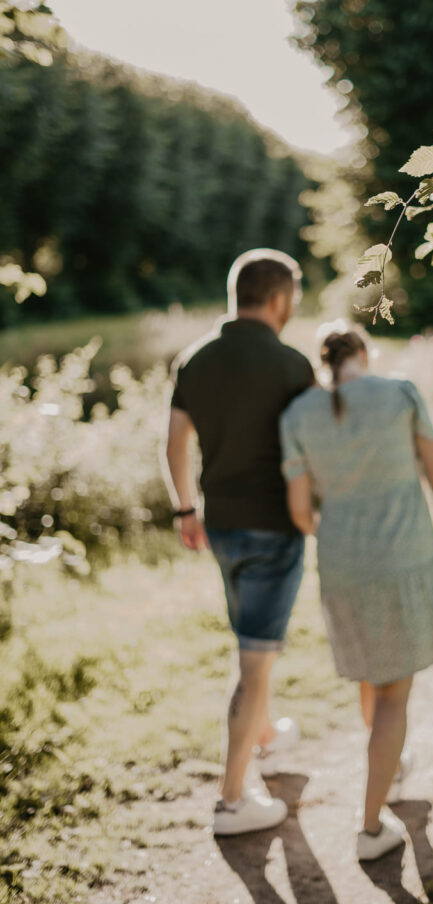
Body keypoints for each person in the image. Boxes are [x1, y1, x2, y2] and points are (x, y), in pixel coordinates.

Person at [279, 327, 433, 861]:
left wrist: (340, 537)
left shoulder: (296, 415)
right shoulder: (400, 392)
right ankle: (369, 828)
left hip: (341, 568)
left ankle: (390, 767)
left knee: (372, 675)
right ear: (364, 356)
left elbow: (299, 513)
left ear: (327, 366)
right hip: (402, 561)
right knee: (392, 694)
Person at [163, 249, 315, 836]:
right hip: (276, 528)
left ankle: (267, 736)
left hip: (219, 524)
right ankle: (231, 801)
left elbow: (175, 443)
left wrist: (184, 508)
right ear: (278, 299)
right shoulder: (293, 364)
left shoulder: (194, 359)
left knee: (253, 641)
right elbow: (315, 449)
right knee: (256, 658)